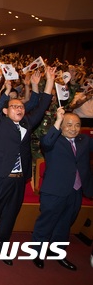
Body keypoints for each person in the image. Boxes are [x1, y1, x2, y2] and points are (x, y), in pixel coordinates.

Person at [0, 66, 56, 266]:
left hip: (19, 180)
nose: (19, 109)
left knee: (10, 216)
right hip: (0, 177)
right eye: (14, 106)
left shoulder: (27, 123)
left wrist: (49, 80)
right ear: (5, 111)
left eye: (21, 107)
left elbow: (43, 104)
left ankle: (2, 250)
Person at [31, 110, 93, 270]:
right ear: (61, 126)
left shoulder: (84, 140)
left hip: (76, 191)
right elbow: (45, 143)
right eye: (69, 125)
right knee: (46, 223)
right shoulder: (53, 140)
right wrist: (58, 120)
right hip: (54, 190)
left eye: (77, 125)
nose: (74, 129)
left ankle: (56, 252)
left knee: (65, 224)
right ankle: (37, 252)